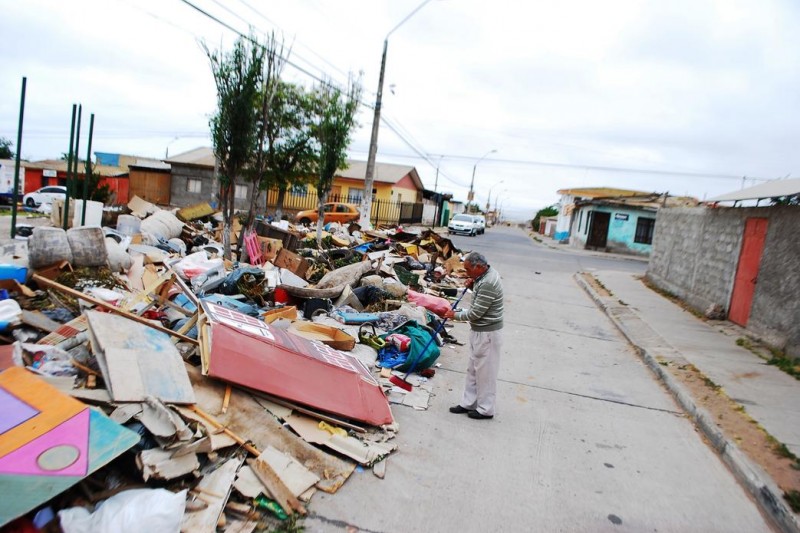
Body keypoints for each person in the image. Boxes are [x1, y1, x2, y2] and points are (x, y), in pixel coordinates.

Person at [443, 251, 504, 420]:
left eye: (469, 270)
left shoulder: (488, 282)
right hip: (479, 331)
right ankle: (468, 403)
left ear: (479, 266)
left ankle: (486, 409)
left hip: (488, 333)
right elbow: (478, 300)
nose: (467, 273)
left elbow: (476, 312)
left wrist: (454, 315)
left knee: (486, 373)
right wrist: (473, 285)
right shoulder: (483, 277)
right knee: (473, 370)